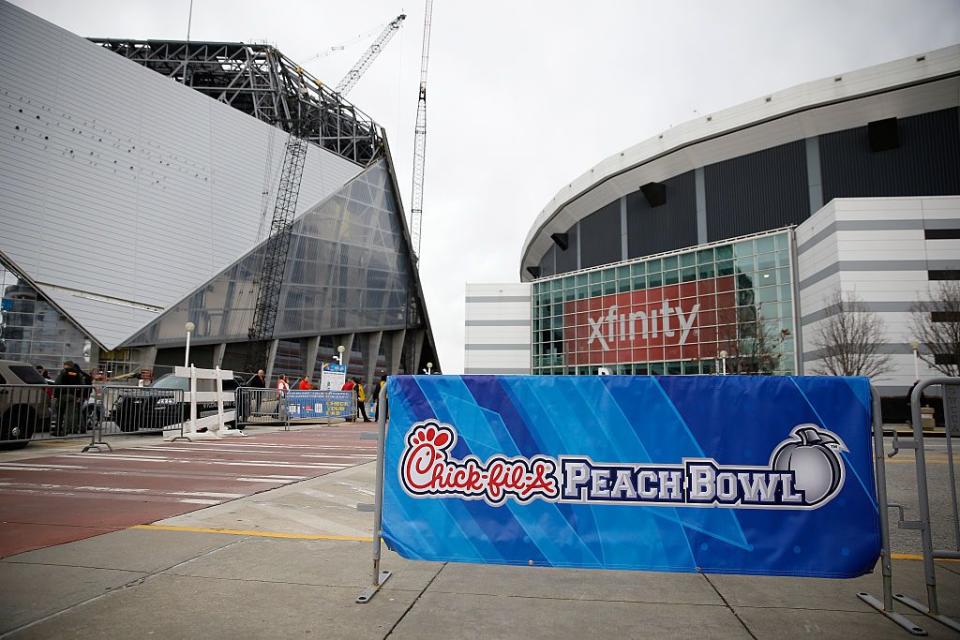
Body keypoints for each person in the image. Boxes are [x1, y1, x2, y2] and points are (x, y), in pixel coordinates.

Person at [53, 360, 91, 435]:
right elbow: (83, 386)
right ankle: (69, 430)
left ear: (67, 365)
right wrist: (79, 396)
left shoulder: (63, 372)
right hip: (73, 396)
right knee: (70, 414)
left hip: (62, 395)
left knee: (60, 414)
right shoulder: (78, 374)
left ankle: (57, 430)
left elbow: (57, 383)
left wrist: (55, 395)